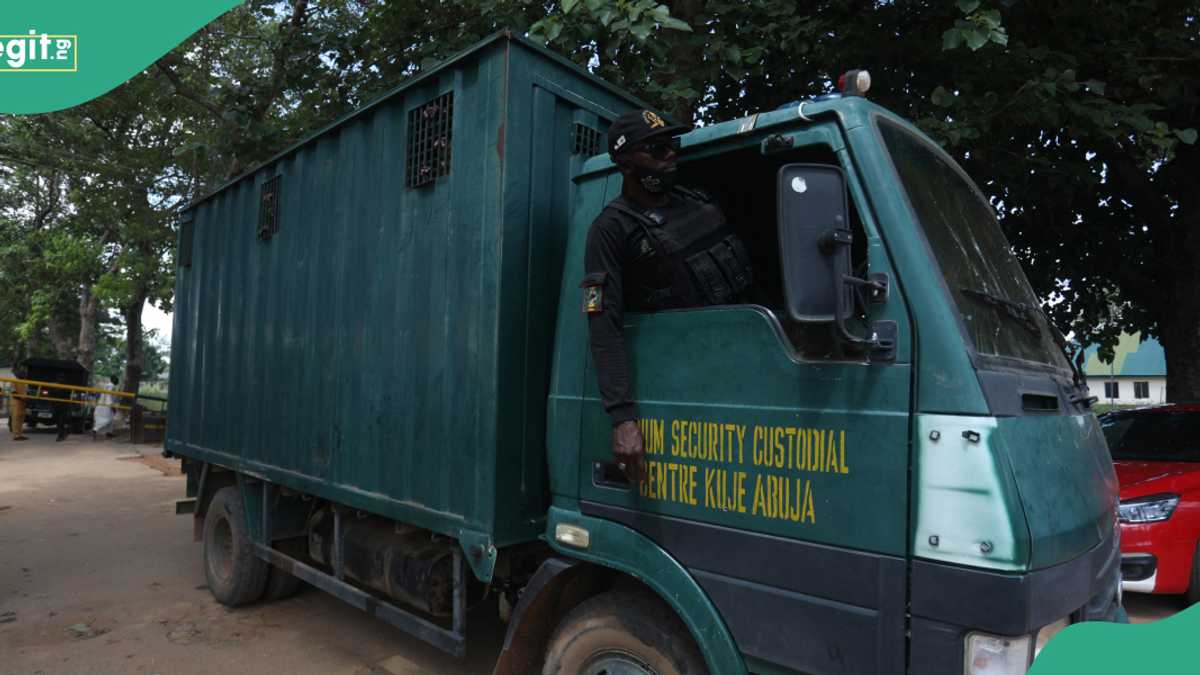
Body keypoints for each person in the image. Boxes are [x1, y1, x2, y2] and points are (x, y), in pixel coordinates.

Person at [582, 109, 754, 483]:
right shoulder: (611, 230)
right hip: (686, 386)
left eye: (671, 145)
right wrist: (623, 419)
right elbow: (603, 327)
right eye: (657, 149)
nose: (670, 154)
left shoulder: (698, 199)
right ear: (626, 164)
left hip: (745, 365)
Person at [92, 375, 118, 440]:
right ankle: (95, 430)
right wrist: (111, 405)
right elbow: (109, 396)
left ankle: (109, 433)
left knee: (111, 419)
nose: (118, 381)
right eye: (117, 380)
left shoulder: (107, 385)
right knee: (106, 419)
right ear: (113, 380)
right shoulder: (112, 386)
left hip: (102, 404)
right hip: (107, 405)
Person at [9, 365, 28, 441]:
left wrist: (26, 400)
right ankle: (15, 435)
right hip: (16, 402)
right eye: (22, 373)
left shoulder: (24, 382)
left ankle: (20, 434)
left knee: (21, 418)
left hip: (23, 402)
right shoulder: (14, 381)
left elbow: (26, 392)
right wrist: (22, 399)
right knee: (16, 418)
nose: (24, 374)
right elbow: (14, 393)